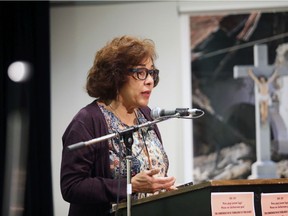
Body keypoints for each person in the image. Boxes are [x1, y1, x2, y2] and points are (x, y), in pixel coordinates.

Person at [60, 35, 176, 216]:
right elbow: (72, 186)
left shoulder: (146, 116)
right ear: (117, 76)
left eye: (152, 72)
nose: (150, 80)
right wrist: (129, 186)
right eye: (141, 73)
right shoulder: (87, 121)